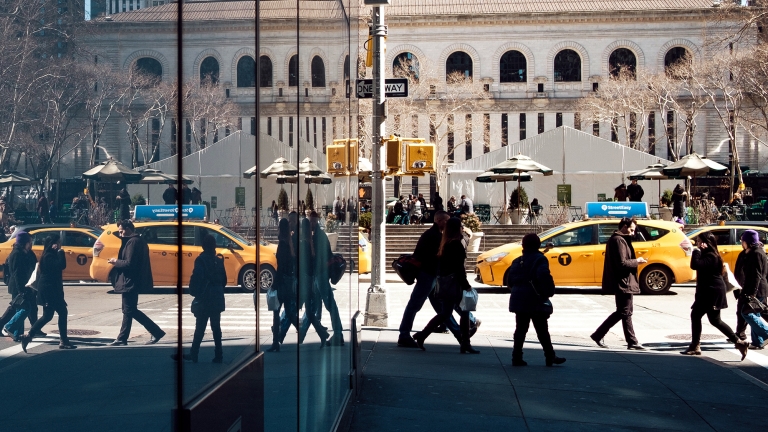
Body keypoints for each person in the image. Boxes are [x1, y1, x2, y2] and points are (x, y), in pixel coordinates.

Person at [412, 217, 479, 354]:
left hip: (447, 283)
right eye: (461, 226)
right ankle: (465, 343)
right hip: (455, 283)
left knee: (445, 313)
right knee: (463, 312)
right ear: (457, 228)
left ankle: (423, 335)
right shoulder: (456, 244)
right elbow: (459, 268)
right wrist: (466, 285)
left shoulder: (446, 243)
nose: (462, 228)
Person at [681, 232, 749, 358]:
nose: (697, 243)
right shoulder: (708, 255)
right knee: (714, 320)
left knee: (698, 316)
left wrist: (696, 251)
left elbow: (694, 265)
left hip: (711, 292)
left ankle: (695, 346)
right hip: (708, 291)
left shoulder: (711, 256)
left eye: (699, 241)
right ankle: (739, 342)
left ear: (707, 242)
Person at [507, 234, 566, 366]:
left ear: (523, 245)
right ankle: (549, 356)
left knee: (520, 329)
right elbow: (543, 275)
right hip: (534, 298)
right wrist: (549, 291)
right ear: (538, 245)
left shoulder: (517, 261)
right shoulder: (540, 259)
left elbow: (510, 281)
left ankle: (516, 356)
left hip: (519, 298)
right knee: (542, 329)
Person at [590, 217, 647, 350]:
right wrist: (637, 261)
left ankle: (629, 340)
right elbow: (622, 263)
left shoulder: (620, 239)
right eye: (632, 230)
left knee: (625, 312)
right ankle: (603, 335)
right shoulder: (618, 240)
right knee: (624, 312)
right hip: (623, 281)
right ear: (624, 227)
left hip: (624, 281)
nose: (633, 233)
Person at [107, 220, 165, 346]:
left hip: (130, 280)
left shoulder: (133, 242)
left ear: (128, 229)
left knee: (130, 310)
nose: (120, 234)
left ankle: (156, 331)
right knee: (128, 310)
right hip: (132, 280)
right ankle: (122, 338)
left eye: (121, 231)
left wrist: (116, 262)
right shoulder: (137, 240)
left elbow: (129, 263)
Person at [397, 211, 451, 347]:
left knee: (439, 304)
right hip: (428, 274)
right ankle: (404, 334)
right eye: (446, 221)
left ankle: (446, 324)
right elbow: (435, 257)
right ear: (439, 220)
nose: (448, 223)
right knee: (414, 304)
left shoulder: (433, 234)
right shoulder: (434, 236)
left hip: (429, 274)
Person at [173, 234, 226, 362]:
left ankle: (194, 353)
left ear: (203, 246)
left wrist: (195, 291)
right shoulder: (218, 260)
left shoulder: (201, 260)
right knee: (216, 327)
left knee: (200, 326)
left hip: (205, 297)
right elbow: (224, 280)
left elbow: (197, 277)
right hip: (217, 297)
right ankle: (218, 354)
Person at [21, 234, 76, 352]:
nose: (60, 244)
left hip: (52, 289)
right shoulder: (48, 256)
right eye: (58, 242)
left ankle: (28, 336)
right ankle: (64, 340)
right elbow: (61, 265)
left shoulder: (50, 255)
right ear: (53, 244)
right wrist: (61, 252)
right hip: (49, 290)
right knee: (62, 312)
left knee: (48, 316)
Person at [306, 211, 344, 345]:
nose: (311, 223)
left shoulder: (318, 236)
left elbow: (317, 256)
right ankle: (322, 333)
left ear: (316, 221)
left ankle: (338, 334)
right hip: (318, 274)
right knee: (315, 306)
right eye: (310, 221)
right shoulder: (315, 235)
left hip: (321, 274)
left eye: (313, 221)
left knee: (329, 304)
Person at [267, 219, 299, 352]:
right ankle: (300, 330)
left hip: (282, 282)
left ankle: (275, 343)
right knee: (289, 312)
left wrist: (274, 284)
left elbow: (280, 267)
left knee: (276, 312)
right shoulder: (290, 243)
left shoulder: (283, 244)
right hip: (288, 281)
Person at [297, 217, 330, 346]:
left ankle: (320, 334)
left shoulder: (304, 243)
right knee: (309, 312)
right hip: (309, 280)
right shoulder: (309, 242)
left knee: (305, 311)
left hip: (305, 280)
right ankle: (322, 334)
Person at [0, 232, 39, 341]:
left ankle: (17, 334)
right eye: (29, 242)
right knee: (23, 308)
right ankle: (9, 327)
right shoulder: (16, 254)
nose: (31, 244)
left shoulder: (26, 253)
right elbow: (17, 274)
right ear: (24, 242)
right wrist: (21, 290)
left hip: (25, 285)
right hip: (18, 286)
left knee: (19, 308)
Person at [734, 230, 768, 350]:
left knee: (746, 312)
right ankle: (758, 341)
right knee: (755, 313)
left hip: (756, 289)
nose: (741, 243)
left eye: (742, 241)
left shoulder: (756, 254)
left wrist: (752, 293)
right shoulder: (753, 252)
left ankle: (766, 333)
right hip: (757, 288)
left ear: (747, 241)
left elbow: (756, 275)